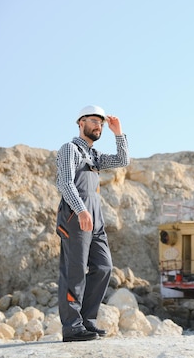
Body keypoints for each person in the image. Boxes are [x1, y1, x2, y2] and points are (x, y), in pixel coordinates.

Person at [55, 105, 130, 342]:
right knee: (74, 271)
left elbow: (122, 159)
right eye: (93, 121)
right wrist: (81, 210)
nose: (98, 126)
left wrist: (118, 133)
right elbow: (65, 183)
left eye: (101, 123)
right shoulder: (70, 149)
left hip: (95, 219)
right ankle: (72, 327)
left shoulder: (95, 155)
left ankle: (87, 320)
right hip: (75, 217)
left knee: (104, 267)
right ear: (81, 123)